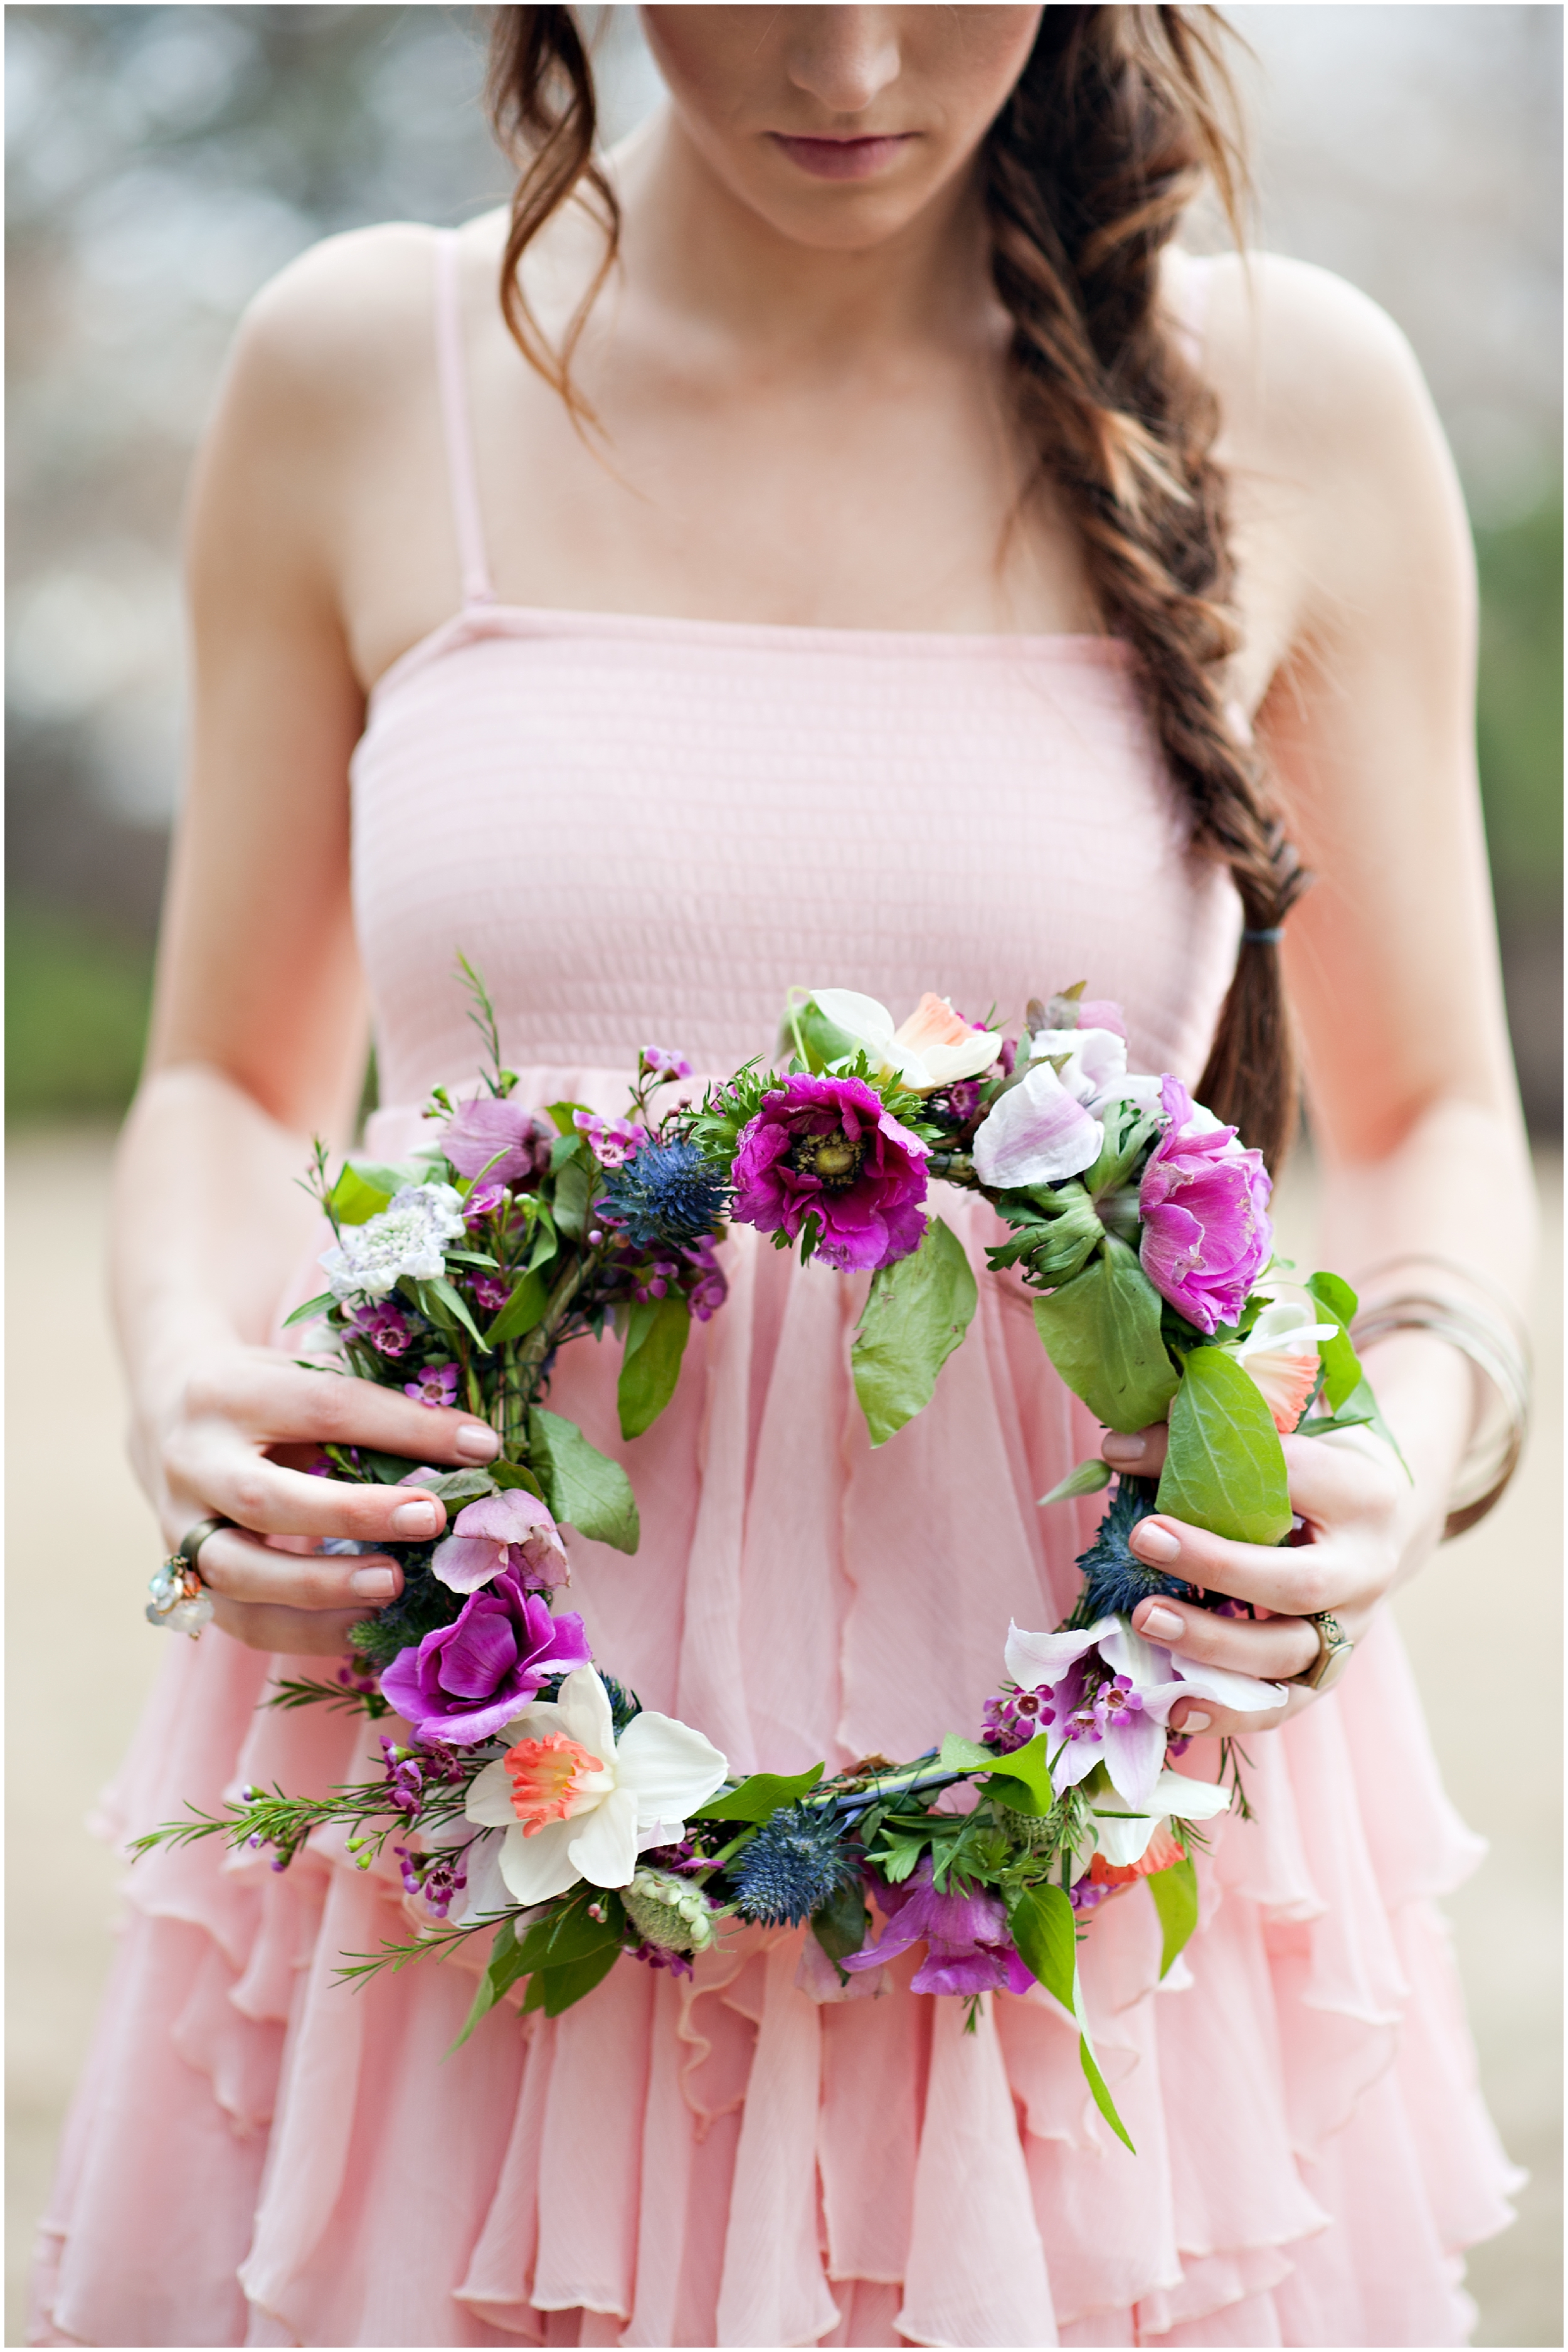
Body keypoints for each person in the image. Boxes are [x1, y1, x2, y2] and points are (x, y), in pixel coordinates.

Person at [31, 7, 1533, 2346]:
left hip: (1081, 1816)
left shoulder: (1285, 397)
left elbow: (1439, 1106)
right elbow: (231, 1069)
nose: (849, 58)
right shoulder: (359, 372)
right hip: (462, 1752)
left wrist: (1413, 1428)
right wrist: (182, 1387)